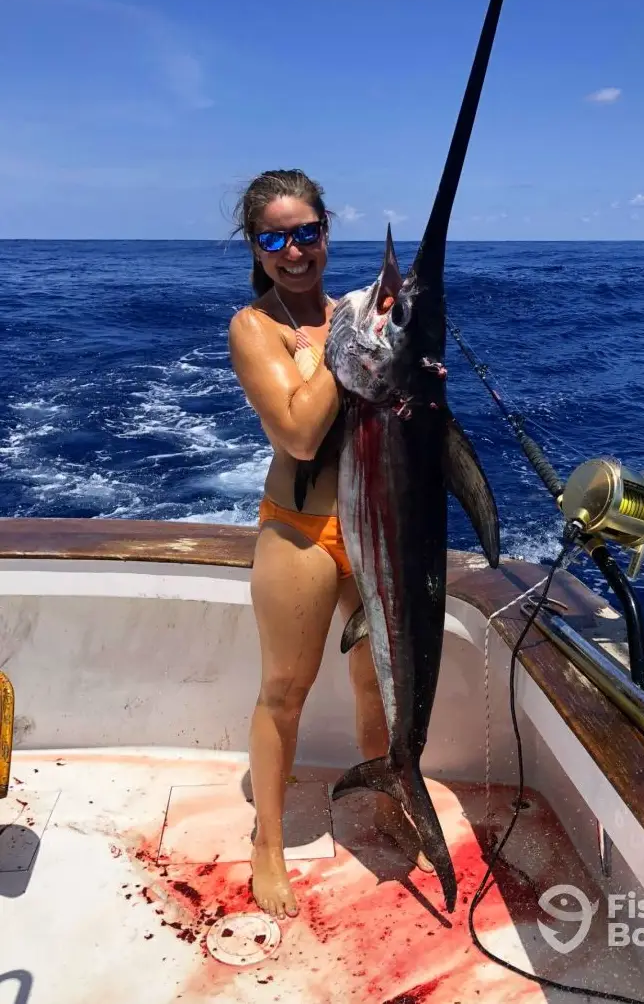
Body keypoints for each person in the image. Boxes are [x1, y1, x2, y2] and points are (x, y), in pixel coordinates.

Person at [228, 169, 432, 920]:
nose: (294, 250)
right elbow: (300, 431)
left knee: (378, 686)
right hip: (302, 532)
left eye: (306, 232)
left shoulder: (357, 313)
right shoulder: (257, 327)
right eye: (275, 237)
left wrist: (399, 339)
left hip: (376, 526)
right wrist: (354, 340)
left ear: (325, 231)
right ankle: (268, 844)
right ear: (256, 245)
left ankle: (384, 794)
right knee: (284, 692)